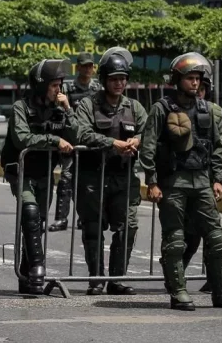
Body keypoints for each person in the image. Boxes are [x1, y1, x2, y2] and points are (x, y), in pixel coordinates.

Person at [139, 51, 222, 311]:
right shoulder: (161, 109)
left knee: (217, 239)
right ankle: (178, 292)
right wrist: (152, 182)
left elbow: (216, 147)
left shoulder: (208, 110)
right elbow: (148, 147)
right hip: (173, 183)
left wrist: (218, 178)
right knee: (175, 240)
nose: (195, 83)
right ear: (177, 79)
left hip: (201, 182)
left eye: (198, 78)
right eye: (190, 78)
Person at [0, 59, 91, 295]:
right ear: (41, 86)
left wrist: (69, 110)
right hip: (21, 171)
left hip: (45, 172)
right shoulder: (21, 107)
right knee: (29, 214)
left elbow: (76, 135)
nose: (58, 90)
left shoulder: (60, 108)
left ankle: (26, 275)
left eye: (60, 85)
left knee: (37, 223)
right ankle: (38, 269)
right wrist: (53, 140)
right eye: (54, 85)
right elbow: (22, 138)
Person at [73, 47, 147, 295]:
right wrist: (112, 143)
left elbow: (150, 132)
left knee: (128, 226)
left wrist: (137, 141)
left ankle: (116, 279)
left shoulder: (134, 107)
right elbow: (81, 132)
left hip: (123, 176)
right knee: (93, 229)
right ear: (104, 80)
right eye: (114, 79)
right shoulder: (87, 104)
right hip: (93, 176)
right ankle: (96, 279)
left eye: (123, 79)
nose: (119, 83)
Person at [181, 60, 222, 294]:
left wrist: (210, 142)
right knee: (189, 235)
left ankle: (215, 280)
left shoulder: (213, 112)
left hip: (207, 177)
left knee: (213, 234)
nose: (197, 91)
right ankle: (177, 276)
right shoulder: (177, 109)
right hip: (186, 177)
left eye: (202, 87)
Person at [50, 52, 102, 232]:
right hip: (71, 142)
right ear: (77, 67)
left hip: (90, 142)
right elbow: (58, 113)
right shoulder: (68, 89)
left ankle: (84, 217)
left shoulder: (98, 89)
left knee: (87, 182)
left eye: (90, 66)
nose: (88, 69)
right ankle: (61, 218)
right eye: (84, 66)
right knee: (66, 178)